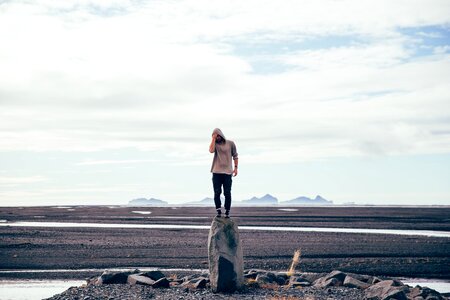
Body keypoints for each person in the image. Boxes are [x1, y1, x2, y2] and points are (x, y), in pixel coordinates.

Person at [209, 128, 238, 218]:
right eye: (214, 136)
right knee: (217, 192)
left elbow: (235, 156)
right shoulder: (215, 144)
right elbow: (211, 150)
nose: (217, 137)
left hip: (227, 173)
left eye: (217, 135)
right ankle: (218, 210)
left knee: (227, 193)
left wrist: (236, 168)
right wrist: (213, 139)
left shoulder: (230, 143)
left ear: (221, 134)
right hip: (216, 172)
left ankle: (227, 211)